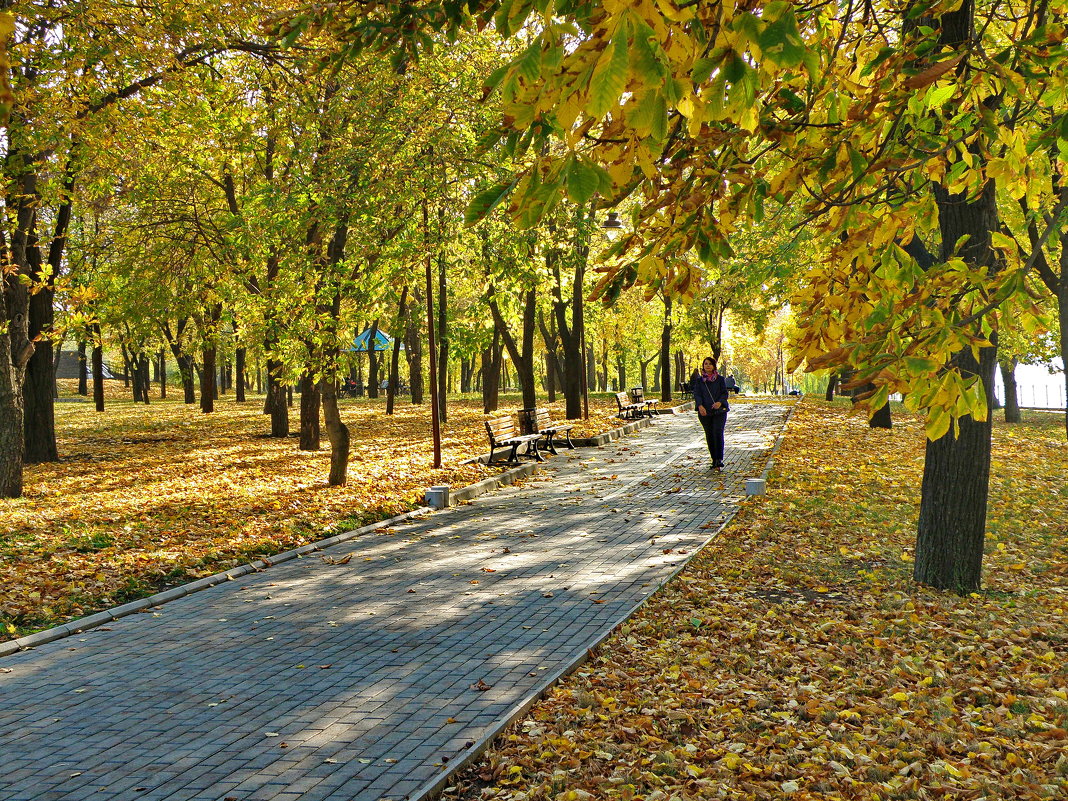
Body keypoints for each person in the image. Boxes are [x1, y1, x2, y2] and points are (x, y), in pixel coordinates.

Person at [693, 356, 729, 470]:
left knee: (717, 433)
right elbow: (697, 394)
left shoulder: (720, 379)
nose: (707, 365)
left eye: (709, 364)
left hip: (719, 411)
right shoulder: (699, 380)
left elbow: (724, 393)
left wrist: (720, 402)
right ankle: (714, 459)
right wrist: (700, 406)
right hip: (705, 412)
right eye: (705, 364)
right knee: (709, 435)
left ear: (713, 366)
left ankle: (719, 459)